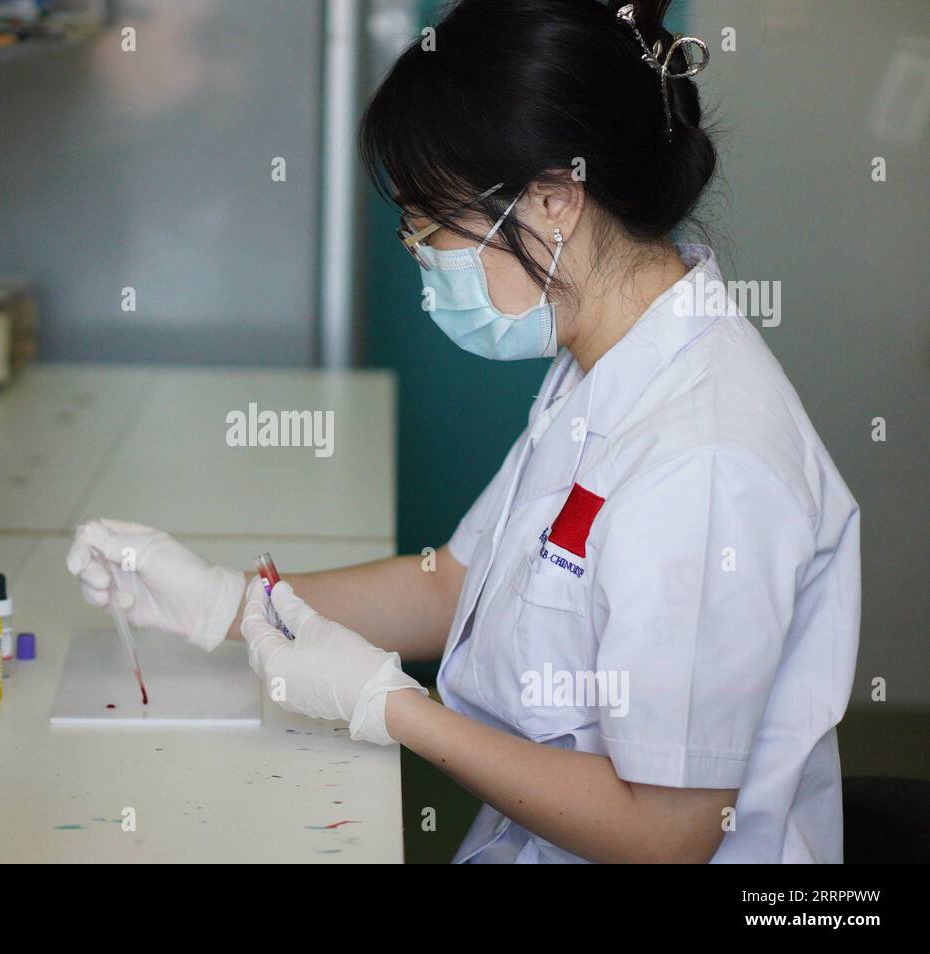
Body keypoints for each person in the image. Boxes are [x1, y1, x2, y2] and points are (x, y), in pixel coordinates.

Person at [67, 0, 860, 863]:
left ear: (554, 199)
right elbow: (455, 588)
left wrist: (391, 708)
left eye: (432, 224)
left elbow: (665, 835)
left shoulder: (706, 459)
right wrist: (229, 601)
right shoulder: (608, 361)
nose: (421, 256)